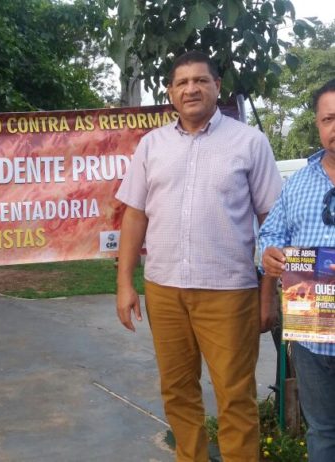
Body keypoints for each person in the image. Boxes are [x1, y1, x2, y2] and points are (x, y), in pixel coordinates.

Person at [115, 50, 282, 461]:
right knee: (177, 391)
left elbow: (273, 223)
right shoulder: (152, 145)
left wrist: (267, 296)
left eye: (201, 80)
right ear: (170, 93)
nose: (191, 89)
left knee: (235, 396)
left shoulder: (249, 142)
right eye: (183, 82)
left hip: (229, 293)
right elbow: (134, 216)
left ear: (217, 87)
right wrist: (124, 284)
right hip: (164, 291)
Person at [260, 78, 335, 461]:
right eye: (328, 119)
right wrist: (269, 254)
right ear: (318, 125)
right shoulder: (298, 184)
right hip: (313, 338)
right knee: (322, 431)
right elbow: (271, 234)